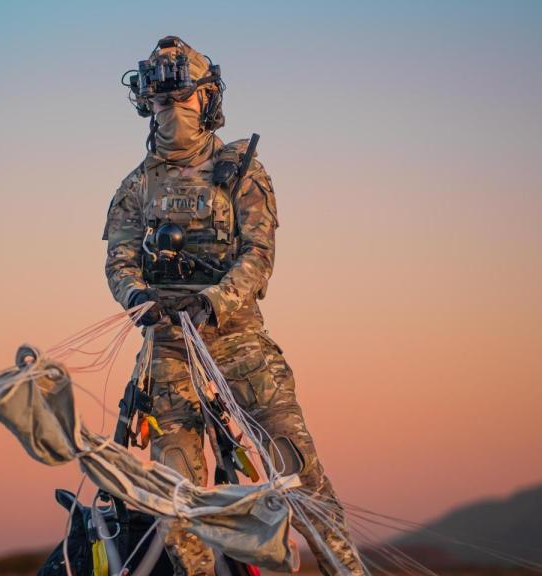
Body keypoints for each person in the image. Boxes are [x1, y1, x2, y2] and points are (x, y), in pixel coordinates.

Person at [102, 36, 367, 575]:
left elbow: (259, 256)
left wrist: (215, 300)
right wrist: (137, 298)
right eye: (159, 102)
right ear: (145, 106)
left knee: (297, 469)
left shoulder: (241, 170)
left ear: (207, 100)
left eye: (182, 99)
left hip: (238, 344)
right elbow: (119, 260)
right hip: (168, 352)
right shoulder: (137, 186)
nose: (170, 111)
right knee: (177, 495)